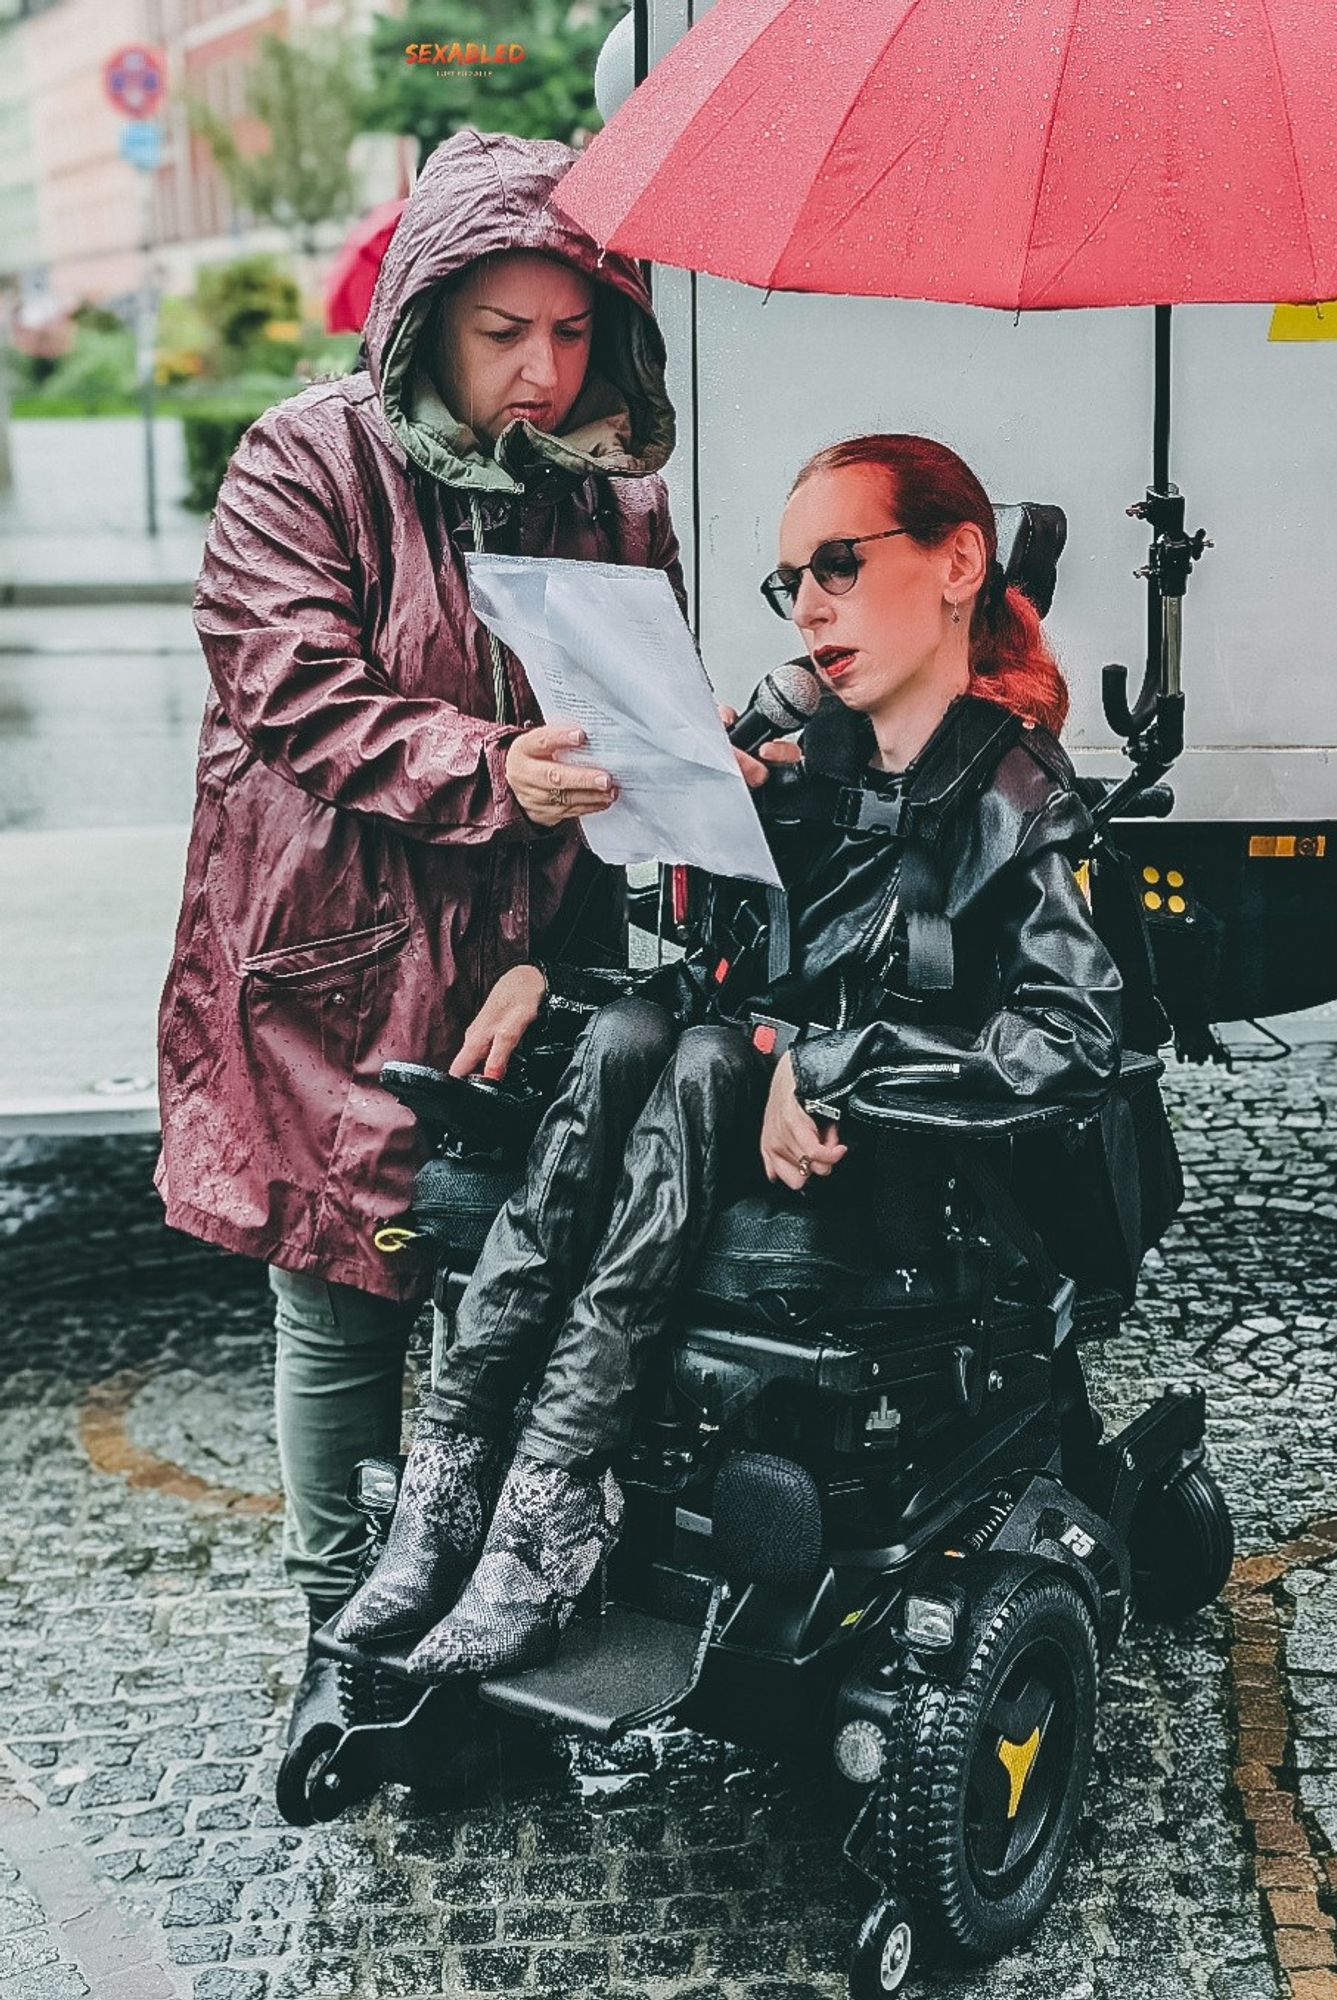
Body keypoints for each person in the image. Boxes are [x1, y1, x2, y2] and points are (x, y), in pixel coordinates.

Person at [335, 432, 1125, 1679]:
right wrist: (556, 977)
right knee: (640, 1029)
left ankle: (552, 1499)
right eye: (788, 582)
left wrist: (829, 1064)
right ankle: (461, 1478)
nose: (809, 606)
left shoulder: (1013, 797)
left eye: (840, 566)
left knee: (704, 1056)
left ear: (959, 560)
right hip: (751, 1132)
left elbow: (1068, 1040)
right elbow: (726, 972)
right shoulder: (817, 762)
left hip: (913, 1196)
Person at [153, 132, 767, 1722]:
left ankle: (465, 1589)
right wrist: (492, 768)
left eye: (571, 332)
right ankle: (330, 1636)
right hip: (329, 957)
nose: (541, 373)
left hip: (517, 957)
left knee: (512, 1277)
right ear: (425, 318)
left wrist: (680, 757)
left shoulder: (613, 496)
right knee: (341, 1283)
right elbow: (292, 693)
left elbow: (626, 715)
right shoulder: (305, 463)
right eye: (503, 335)